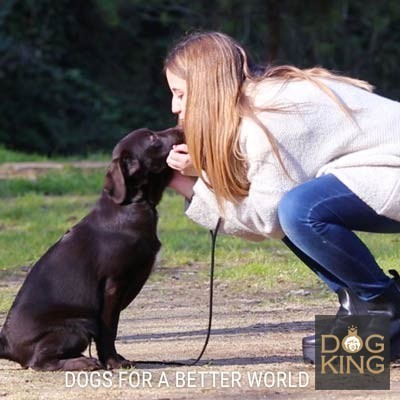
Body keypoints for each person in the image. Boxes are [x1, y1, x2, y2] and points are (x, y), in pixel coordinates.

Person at [164, 31, 400, 363]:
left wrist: (196, 182)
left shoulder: (269, 116)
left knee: (299, 208)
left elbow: (268, 220)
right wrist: (189, 183)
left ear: (206, 87)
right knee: (295, 208)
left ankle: (385, 309)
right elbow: (265, 214)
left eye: (180, 93)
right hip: (384, 171)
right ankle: (360, 303)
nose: (175, 106)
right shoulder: (256, 105)